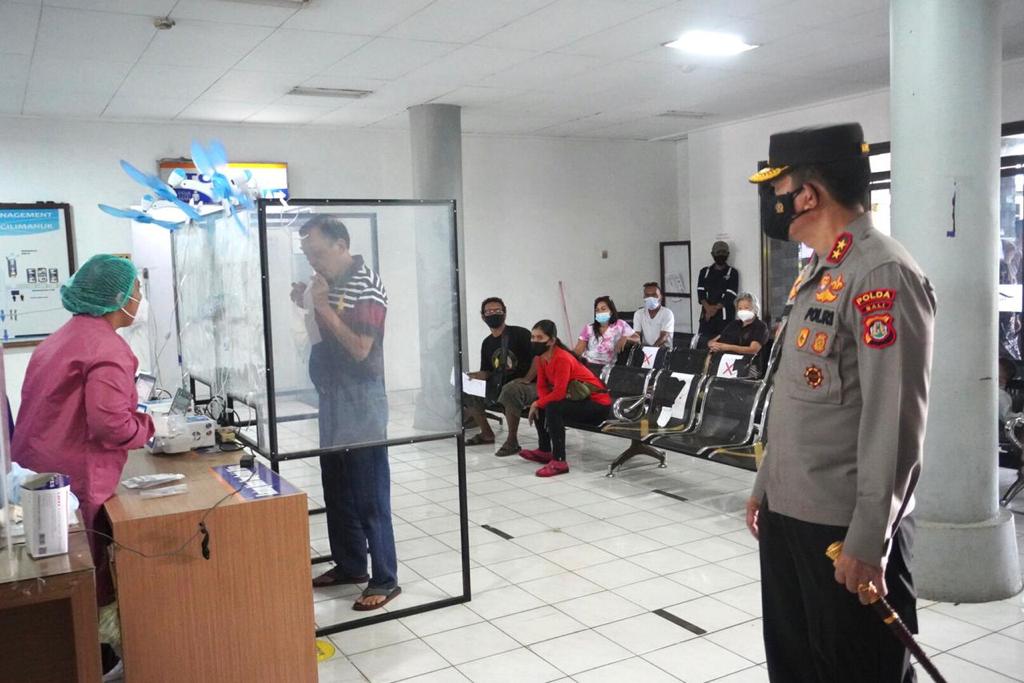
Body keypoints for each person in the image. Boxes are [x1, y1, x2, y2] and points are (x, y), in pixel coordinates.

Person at [745, 123, 935, 682]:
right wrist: (765, 485)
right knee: (796, 663)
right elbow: (796, 395)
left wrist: (869, 537)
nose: (774, 204)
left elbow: (894, 419)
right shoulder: (820, 269)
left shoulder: (881, 272)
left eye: (777, 191)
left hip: (842, 527)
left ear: (807, 195)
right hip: (791, 510)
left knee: (857, 669)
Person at [12, 254, 155, 611]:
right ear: (119, 298)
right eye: (137, 289)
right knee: (84, 578)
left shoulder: (58, 340)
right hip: (74, 478)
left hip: (35, 471)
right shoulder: (108, 350)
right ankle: (97, 641)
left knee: (51, 576)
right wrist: (151, 428)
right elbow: (111, 426)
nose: (140, 298)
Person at [291, 215, 399, 611]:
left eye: (318, 253)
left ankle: (385, 578)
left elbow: (360, 349)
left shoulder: (366, 284)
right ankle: (351, 563)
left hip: (361, 400)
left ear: (341, 245)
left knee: (369, 492)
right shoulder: (330, 282)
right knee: (336, 486)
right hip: (332, 397)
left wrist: (321, 305)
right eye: (307, 255)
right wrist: (309, 303)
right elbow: (322, 335)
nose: (313, 262)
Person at [520, 320, 611, 477]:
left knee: (552, 407)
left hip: (598, 405)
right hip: (579, 401)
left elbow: (559, 393)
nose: (534, 341)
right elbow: (541, 386)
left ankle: (559, 461)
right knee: (544, 405)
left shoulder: (562, 358)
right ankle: (544, 451)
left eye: (539, 338)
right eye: (533, 337)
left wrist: (538, 403)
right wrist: (539, 404)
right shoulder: (541, 358)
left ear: (551, 341)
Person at [463, 297, 533, 447]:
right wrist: (476, 376)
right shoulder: (487, 343)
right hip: (499, 384)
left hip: (526, 384)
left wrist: (528, 378)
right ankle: (486, 434)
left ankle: (512, 440)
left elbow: (538, 359)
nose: (493, 314)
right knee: (468, 389)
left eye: (497, 311)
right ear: (483, 317)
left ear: (505, 313)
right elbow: (488, 371)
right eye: (489, 312)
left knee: (510, 389)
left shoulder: (520, 334)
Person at [573, 296, 640, 365]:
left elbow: (638, 339)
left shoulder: (619, 325)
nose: (600, 312)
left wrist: (627, 338)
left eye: (603, 309)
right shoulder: (589, 328)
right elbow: (578, 350)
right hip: (588, 365)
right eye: (597, 310)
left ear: (611, 312)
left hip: (607, 367)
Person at [696, 241, 739, 343]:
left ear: (728, 254)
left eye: (724, 253)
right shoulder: (705, 272)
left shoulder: (732, 273)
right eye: (718, 253)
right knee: (703, 343)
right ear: (712, 254)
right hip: (707, 316)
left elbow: (731, 294)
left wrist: (714, 309)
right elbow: (701, 292)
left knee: (724, 343)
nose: (721, 255)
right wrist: (708, 309)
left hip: (725, 317)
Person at [632, 282, 675, 349]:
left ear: (661, 297)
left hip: (664, 351)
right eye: (647, 295)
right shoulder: (639, 314)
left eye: (654, 295)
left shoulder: (667, 313)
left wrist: (652, 350)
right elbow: (636, 334)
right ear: (644, 297)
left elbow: (664, 336)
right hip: (646, 350)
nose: (650, 298)